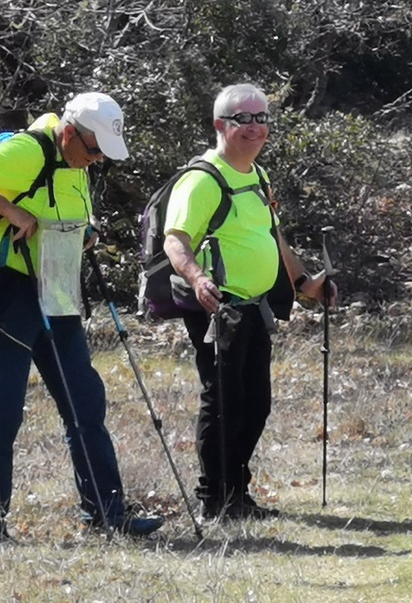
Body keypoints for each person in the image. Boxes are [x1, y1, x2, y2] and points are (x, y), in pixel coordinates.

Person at [0, 92, 165, 542]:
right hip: (7, 290)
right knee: (2, 408)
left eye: (103, 152)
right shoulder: (28, 151)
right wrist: (9, 210)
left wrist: (86, 232)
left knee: (85, 403)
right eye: (93, 148)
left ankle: (107, 514)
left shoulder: (76, 161)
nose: (96, 159)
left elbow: (62, 209)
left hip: (56, 291)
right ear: (68, 132)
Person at [163, 83, 336, 520]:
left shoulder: (257, 175)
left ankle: (237, 494)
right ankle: (214, 499)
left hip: (256, 305)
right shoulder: (202, 179)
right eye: (245, 119)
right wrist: (198, 279)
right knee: (222, 401)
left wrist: (304, 284)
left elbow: (272, 237)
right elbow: (175, 241)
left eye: (262, 119)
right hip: (220, 308)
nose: (255, 127)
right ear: (221, 125)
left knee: (255, 403)